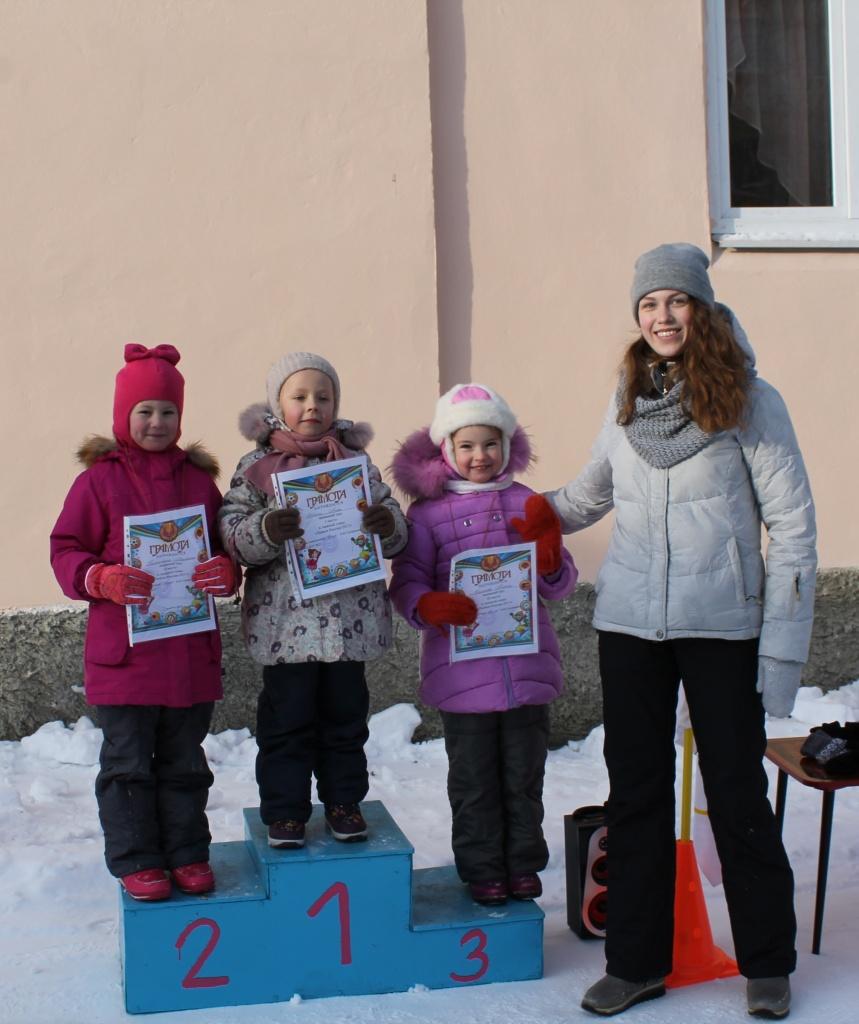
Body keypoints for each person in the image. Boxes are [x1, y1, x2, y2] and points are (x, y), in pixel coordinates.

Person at [546, 244, 816, 1019]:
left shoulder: (750, 400)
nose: (661, 316)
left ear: (700, 308)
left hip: (723, 626)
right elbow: (588, 494)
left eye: (675, 301)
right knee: (634, 793)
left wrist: (781, 651)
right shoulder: (627, 399)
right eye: (648, 304)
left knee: (735, 792)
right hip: (630, 625)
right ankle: (634, 963)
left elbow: (793, 531)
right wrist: (503, 509)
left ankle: (766, 963)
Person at [50, 344, 239, 901]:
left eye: (168, 411)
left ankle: (187, 852)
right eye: (145, 411)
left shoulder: (199, 483)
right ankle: (138, 858)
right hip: (125, 660)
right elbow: (65, 550)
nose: (157, 422)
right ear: (123, 415)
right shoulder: (97, 483)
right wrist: (99, 578)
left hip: (187, 655)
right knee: (128, 765)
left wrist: (226, 571)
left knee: (185, 763)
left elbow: (223, 546)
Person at [389, 383, 577, 905]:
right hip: (463, 676)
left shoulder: (527, 501)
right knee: (473, 780)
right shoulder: (426, 514)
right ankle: (482, 868)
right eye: (467, 445)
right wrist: (427, 605)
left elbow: (558, 585)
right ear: (446, 449)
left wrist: (549, 558)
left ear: (507, 446)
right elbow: (407, 581)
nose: (480, 456)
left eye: (490, 444)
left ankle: (523, 864)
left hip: (526, 671)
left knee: (524, 776)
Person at [218, 352, 407, 849]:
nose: (312, 406)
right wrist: (265, 529)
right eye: (299, 396)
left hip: (349, 626)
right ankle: (285, 812)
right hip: (285, 630)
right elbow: (231, 531)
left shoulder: (355, 465)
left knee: (346, 723)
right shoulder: (256, 468)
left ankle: (344, 802)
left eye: (323, 397)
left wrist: (386, 525)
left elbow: (394, 523)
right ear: (277, 404)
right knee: (286, 724)